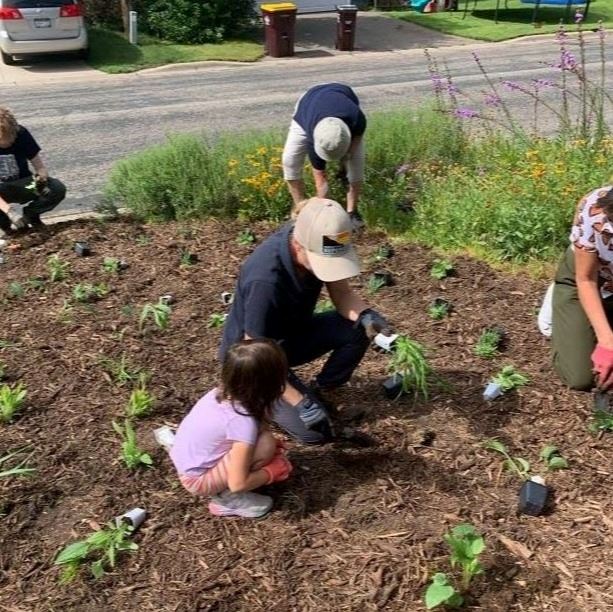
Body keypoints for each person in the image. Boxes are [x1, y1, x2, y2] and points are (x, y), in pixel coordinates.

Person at [220, 197, 392, 445]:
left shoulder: (319, 243)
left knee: (358, 329)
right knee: (315, 433)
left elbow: (342, 295)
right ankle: (271, 400)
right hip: (253, 362)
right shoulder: (266, 280)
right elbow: (256, 354)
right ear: (299, 245)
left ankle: (323, 389)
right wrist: (300, 402)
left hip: (290, 338)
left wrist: (368, 318)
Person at [170, 338, 293, 519]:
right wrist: (272, 472)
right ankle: (228, 499)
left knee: (266, 441)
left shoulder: (219, 394)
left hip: (186, 458)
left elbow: (260, 423)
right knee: (266, 444)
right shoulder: (242, 421)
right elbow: (238, 483)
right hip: (197, 479)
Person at [548, 185, 613, 391]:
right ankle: (561, 302)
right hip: (591, 276)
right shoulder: (594, 208)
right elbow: (585, 279)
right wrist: (607, 342)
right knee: (581, 376)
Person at [282, 83, 366, 230]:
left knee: (356, 166)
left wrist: (346, 159)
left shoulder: (356, 118)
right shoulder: (312, 137)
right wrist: (323, 215)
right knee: (290, 160)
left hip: (341, 96)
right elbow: (321, 183)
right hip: (308, 107)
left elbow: (356, 140)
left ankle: (352, 213)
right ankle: (300, 210)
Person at [0, 106, 66, 237]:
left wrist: (42, 179)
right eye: (4, 139)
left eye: (11, 136)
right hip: (1, 190)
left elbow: (39, 166)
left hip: (25, 184)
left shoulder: (21, 133)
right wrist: (10, 212)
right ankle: (7, 229)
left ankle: (31, 215)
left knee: (56, 188)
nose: (9, 141)